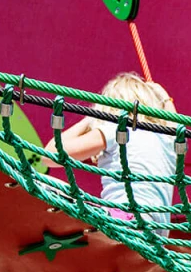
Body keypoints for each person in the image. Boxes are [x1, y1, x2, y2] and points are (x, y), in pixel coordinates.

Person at [59, 72, 178, 222]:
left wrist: (92, 117)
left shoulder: (116, 129)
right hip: (157, 230)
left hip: (126, 219)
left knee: (54, 190)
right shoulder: (167, 140)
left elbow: (50, 155)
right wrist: (165, 98)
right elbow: (176, 125)